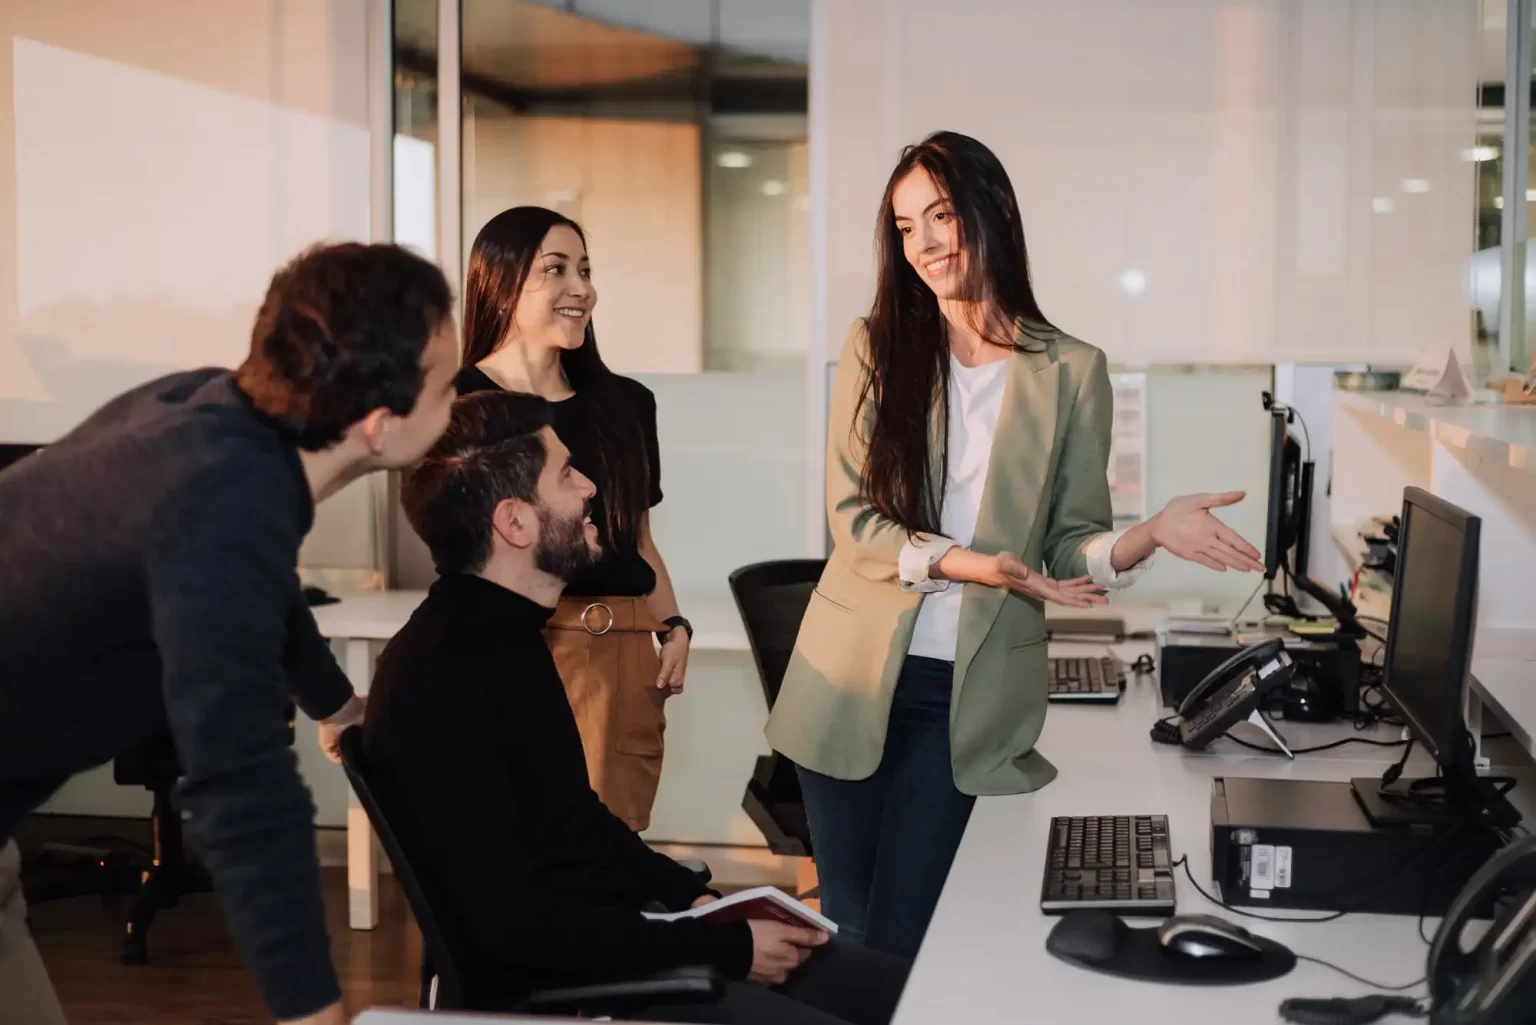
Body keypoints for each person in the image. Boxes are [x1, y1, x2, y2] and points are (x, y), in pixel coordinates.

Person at [766, 131, 1265, 960]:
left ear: (991, 214)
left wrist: (1147, 535)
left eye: (941, 215)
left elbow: (1067, 541)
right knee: (845, 936)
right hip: (851, 682)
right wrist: (967, 562)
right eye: (903, 225)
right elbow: (854, 523)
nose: (923, 243)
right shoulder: (875, 347)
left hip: (966, 700)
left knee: (905, 940)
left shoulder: (1071, 369)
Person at [0, 243, 459, 1025]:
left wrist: (332, 701)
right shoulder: (228, 501)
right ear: (378, 426)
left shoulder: (213, 412)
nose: (458, 400)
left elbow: (261, 587)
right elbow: (240, 780)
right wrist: (312, 1007)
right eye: (448, 386)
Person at [365, 390, 909, 1025]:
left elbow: (576, 830)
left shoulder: (503, 639)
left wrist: (701, 899)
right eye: (566, 473)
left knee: (913, 991)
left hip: (618, 947)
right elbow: (514, 930)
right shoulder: (442, 677)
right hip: (578, 981)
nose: (591, 486)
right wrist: (726, 946)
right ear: (514, 523)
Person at [452, 206, 685, 832]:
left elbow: (639, 541)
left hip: (619, 651)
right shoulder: (461, 405)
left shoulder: (627, 405)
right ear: (498, 282)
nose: (581, 288)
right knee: (512, 849)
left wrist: (675, 625)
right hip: (509, 649)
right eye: (555, 269)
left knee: (610, 851)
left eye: (584, 269)